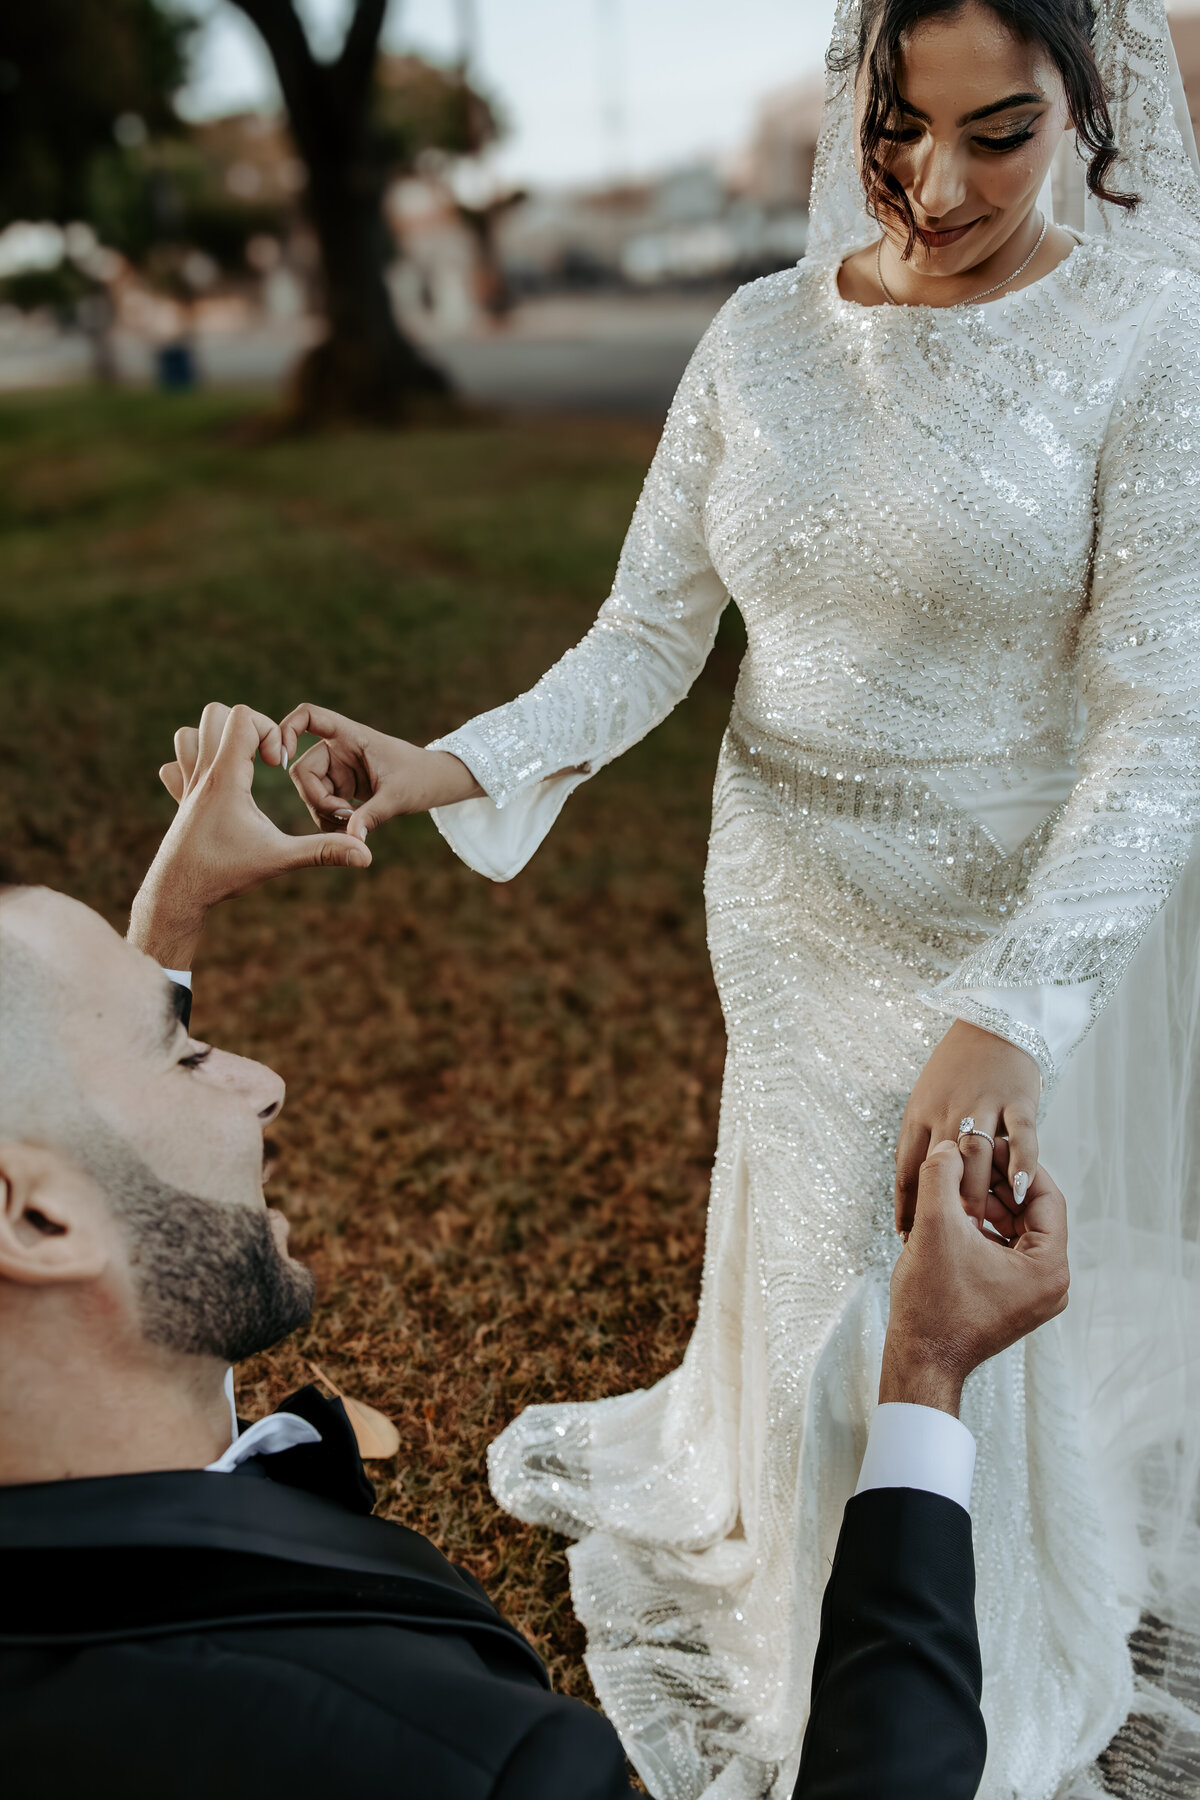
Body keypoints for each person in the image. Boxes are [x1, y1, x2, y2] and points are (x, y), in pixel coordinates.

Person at [273, 0, 1200, 1792]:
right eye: (896, 132)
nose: (937, 186)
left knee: (927, 1283)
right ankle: (803, 1601)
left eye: (998, 134)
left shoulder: (1146, 331)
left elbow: (1166, 721)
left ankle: (949, 1660)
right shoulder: (761, 335)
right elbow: (647, 632)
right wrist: (438, 760)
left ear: (1085, 111)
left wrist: (1017, 1004)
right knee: (805, 1262)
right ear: (854, 107)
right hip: (779, 895)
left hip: (991, 923)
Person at [0, 703, 1071, 1799]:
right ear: (36, 1222)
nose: (264, 1085)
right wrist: (925, 1372)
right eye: (186, 1056)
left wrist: (162, 937)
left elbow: (112, 1306)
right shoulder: (445, 1759)